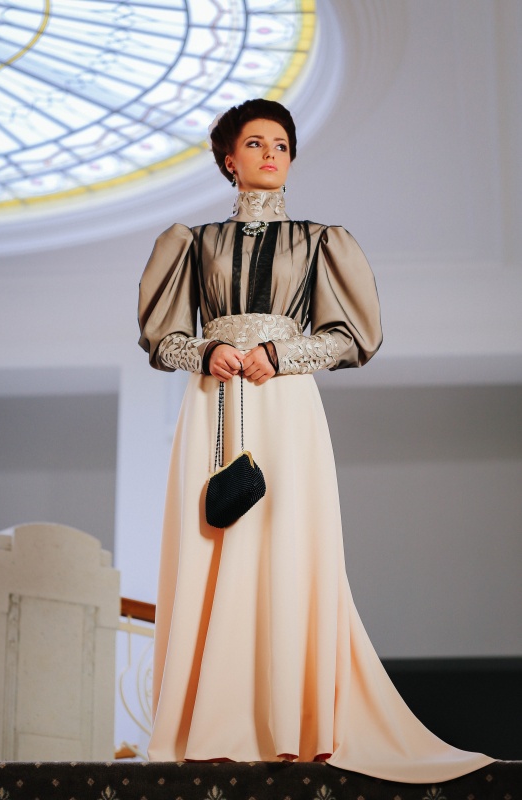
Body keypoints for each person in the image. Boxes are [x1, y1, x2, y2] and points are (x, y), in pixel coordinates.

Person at [138, 99, 494, 782]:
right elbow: (161, 335)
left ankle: (293, 726)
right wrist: (204, 350)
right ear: (228, 160)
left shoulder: (322, 241)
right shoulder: (190, 243)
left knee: (288, 546)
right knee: (212, 544)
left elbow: (354, 336)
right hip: (213, 403)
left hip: (286, 405)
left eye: (281, 144)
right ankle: (206, 726)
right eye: (254, 143)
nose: (270, 154)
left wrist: (281, 355)